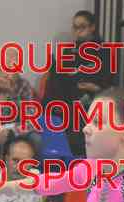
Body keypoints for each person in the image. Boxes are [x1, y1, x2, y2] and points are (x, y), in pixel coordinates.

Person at [44, 10, 115, 156]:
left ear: (92, 27)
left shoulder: (105, 51)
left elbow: (110, 84)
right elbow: (61, 78)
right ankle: (52, 113)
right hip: (70, 96)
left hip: (94, 97)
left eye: (82, 27)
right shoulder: (70, 51)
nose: (78, 31)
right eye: (75, 27)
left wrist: (94, 88)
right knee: (55, 69)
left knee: (78, 112)